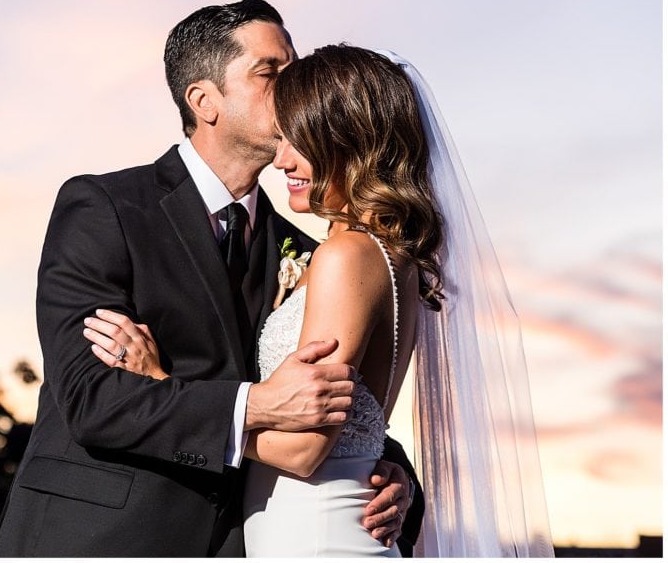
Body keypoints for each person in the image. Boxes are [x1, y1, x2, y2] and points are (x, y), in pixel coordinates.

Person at [0, 1, 419, 557]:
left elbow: (336, 402)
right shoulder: (106, 208)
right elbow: (91, 398)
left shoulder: (315, 254)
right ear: (204, 101)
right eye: (271, 73)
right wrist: (257, 407)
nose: (294, 87)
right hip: (102, 540)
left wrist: (391, 472)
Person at [90, 45, 554, 557]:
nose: (281, 160)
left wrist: (160, 384)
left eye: (300, 143)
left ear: (352, 146)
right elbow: (356, 424)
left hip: (318, 538)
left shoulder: (346, 258)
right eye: (283, 138)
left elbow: (303, 449)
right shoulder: (385, 255)